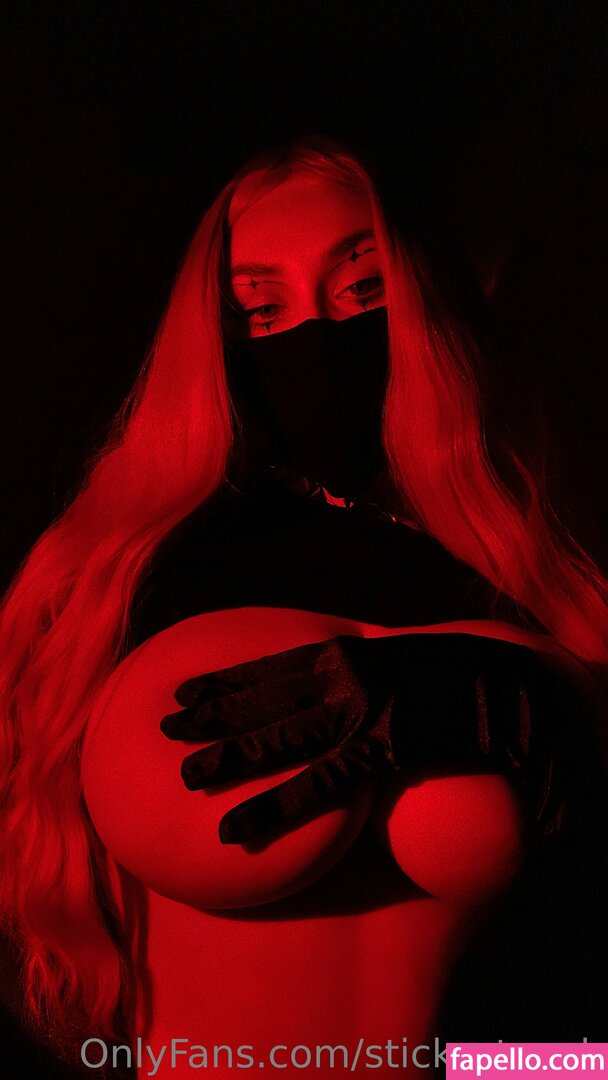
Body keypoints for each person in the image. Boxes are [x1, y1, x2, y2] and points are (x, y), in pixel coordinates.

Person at [0, 136, 606, 1079]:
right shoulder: (110, 584)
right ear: (214, 338)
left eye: (364, 291)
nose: (320, 341)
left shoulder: (543, 589)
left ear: (432, 305)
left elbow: (581, 1046)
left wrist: (544, 718)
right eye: (261, 308)